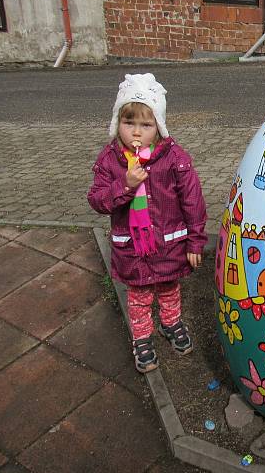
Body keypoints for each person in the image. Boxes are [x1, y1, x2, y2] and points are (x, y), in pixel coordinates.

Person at [88, 73, 208, 374]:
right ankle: (142, 338)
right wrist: (125, 184)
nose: (137, 132)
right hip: (133, 248)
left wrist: (195, 241)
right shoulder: (110, 160)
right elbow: (98, 201)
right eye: (129, 123)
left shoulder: (174, 158)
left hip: (169, 243)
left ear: (159, 127)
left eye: (146, 124)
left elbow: (193, 201)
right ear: (118, 123)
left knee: (169, 287)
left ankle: (171, 323)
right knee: (139, 296)